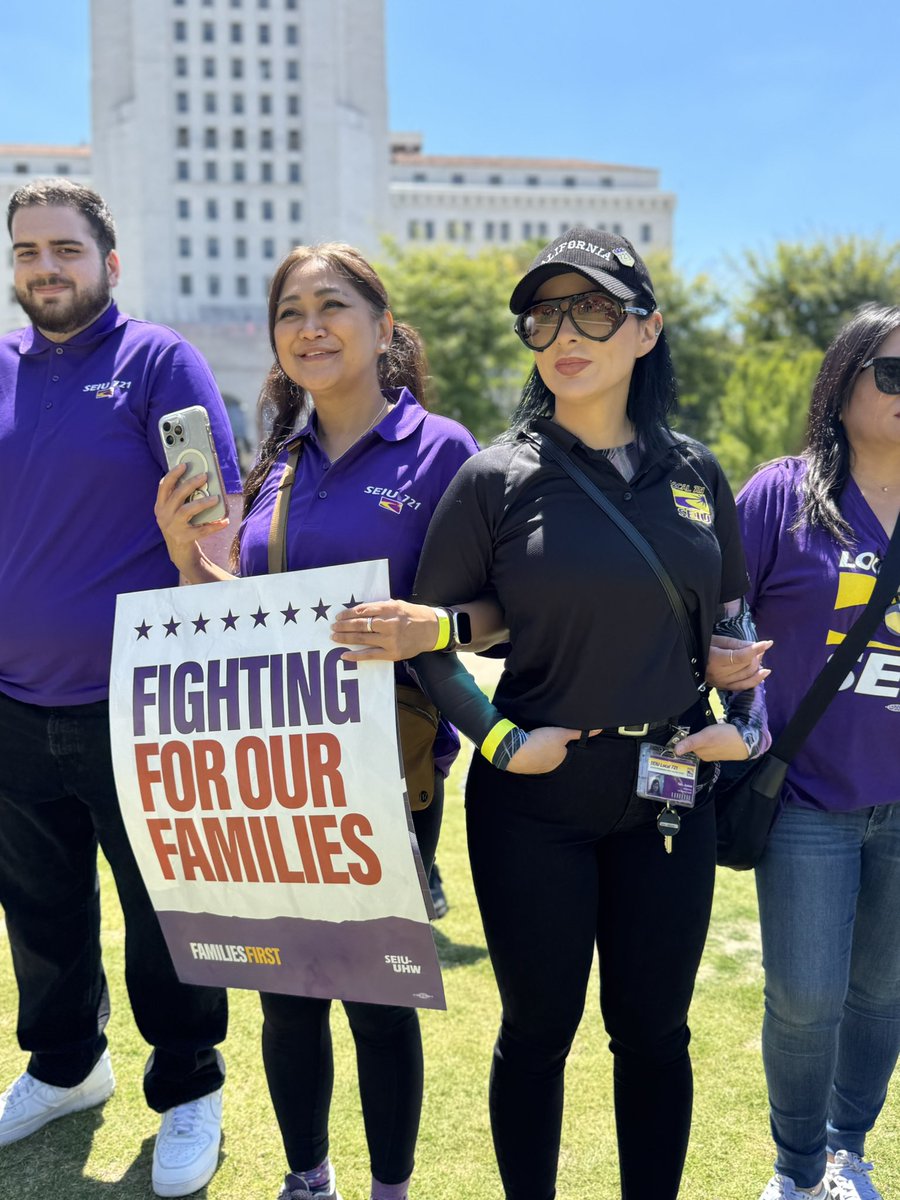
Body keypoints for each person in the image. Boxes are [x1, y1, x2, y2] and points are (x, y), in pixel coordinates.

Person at [397, 227, 769, 1200]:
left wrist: (748, 717)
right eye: (545, 313)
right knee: (536, 1033)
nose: (566, 331)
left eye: (594, 309)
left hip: (671, 793)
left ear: (646, 332)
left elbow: (734, 627)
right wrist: (500, 740)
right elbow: (429, 643)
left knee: (655, 1034)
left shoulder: (697, 477)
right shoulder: (493, 477)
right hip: (536, 802)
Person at [154, 242, 486, 1200]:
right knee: (286, 992)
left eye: (332, 305)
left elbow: (496, 607)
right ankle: (309, 1181)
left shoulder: (444, 452)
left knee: (379, 997)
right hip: (270, 776)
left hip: (390, 766)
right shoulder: (275, 464)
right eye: (290, 311)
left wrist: (432, 625)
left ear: (383, 327)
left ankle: (388, 1188)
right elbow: (238, 612)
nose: (310, 326)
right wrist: (188, 560)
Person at [0, 180, 242, 1196]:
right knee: (39, 908)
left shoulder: (159, 363)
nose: (44, 268)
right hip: (13, 702)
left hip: (138, 702)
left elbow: (214, 537)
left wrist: (199, 558)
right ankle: (65, 1067)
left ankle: (189, 1084)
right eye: (26, 253)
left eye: (64, 249)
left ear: (109, 261)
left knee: (164, 913)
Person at [738, 305, 900, 1200]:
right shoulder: (781, 495)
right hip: (804, 800)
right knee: (805, 998)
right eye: (895, 374)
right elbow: (719, 616)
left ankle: (848, 1151)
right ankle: (796, 1170)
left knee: (882, 995)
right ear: (842, 388)